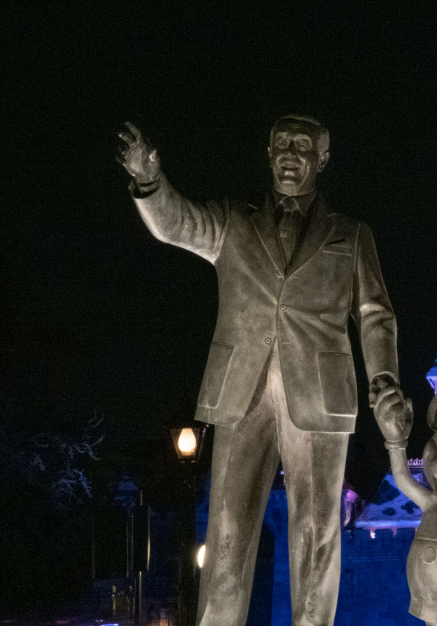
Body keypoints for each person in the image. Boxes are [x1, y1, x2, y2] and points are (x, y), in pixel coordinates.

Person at [118, 116, 413, 626]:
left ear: (322, 159)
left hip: (320, 395)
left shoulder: (351, 234)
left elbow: (375, 315)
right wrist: (150, 181)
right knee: (228, 529)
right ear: (268, 153)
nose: (289, 154)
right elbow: (178, 223)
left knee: (316, 533)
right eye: (280, 145)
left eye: (301, 146)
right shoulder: (235, 221)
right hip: (242, 387)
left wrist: (382, 381)